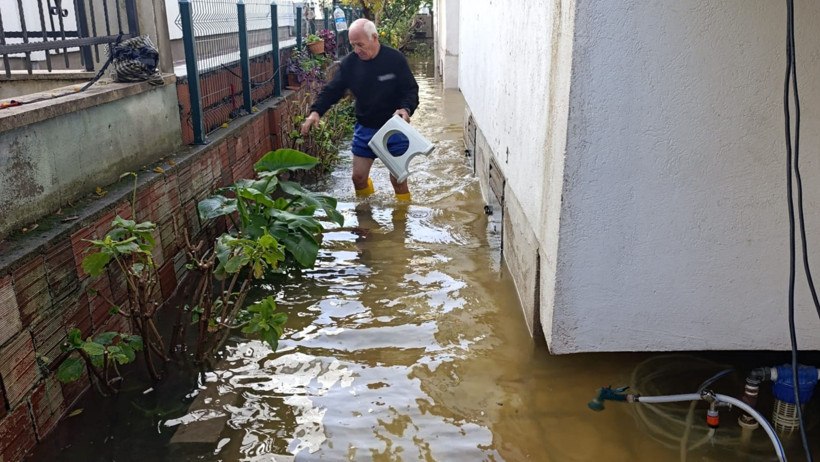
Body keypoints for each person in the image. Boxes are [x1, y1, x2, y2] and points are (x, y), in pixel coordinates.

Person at [301, 18, 419, 201]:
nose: (357, 50)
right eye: (353, 45)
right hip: (365, 128)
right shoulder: (350, 64)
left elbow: (410, 90)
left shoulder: (394, 59)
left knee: (398, 180)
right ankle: (365, 216)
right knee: (358, 178)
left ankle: (401, 223)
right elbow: (333, 89)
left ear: (375, 37)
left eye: (360, 44)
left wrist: (406, 108)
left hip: (394, 128)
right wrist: (316, 111)